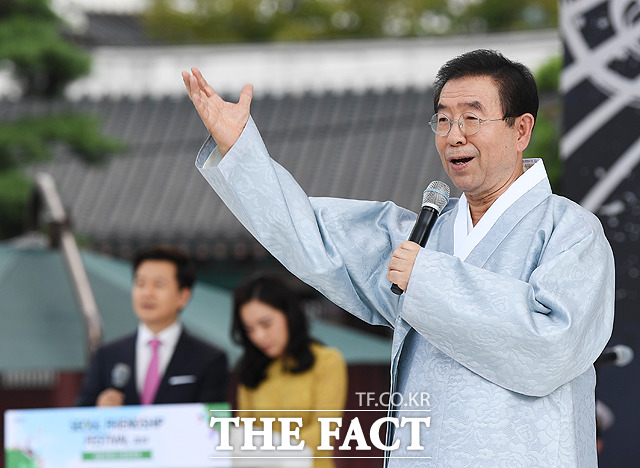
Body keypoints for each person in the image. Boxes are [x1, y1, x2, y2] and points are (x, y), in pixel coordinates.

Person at [182, 49, 615, 467]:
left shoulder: (571, 231)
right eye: (443, 120)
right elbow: (312, 233)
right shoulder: (422, 235)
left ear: (521, 130)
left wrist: (426, 279)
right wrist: (240, 149)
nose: (453, 135)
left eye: (471, 117)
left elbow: (552, 344)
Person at [76, 245, 228, 406]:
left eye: (158, 284)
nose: (147, 293)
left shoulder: (209, 359)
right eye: (140, 283)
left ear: (183, 296)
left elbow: (215, 424)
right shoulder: (107, 356)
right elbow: (80, 417)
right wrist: (99, 412)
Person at [232, 274, 347, 468]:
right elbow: (244, 431)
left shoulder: (327, 361)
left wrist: (275, 456)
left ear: (288, 315)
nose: (259, 336)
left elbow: (324, 428)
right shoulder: (250, 368)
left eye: (266, 324)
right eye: (250, 329)